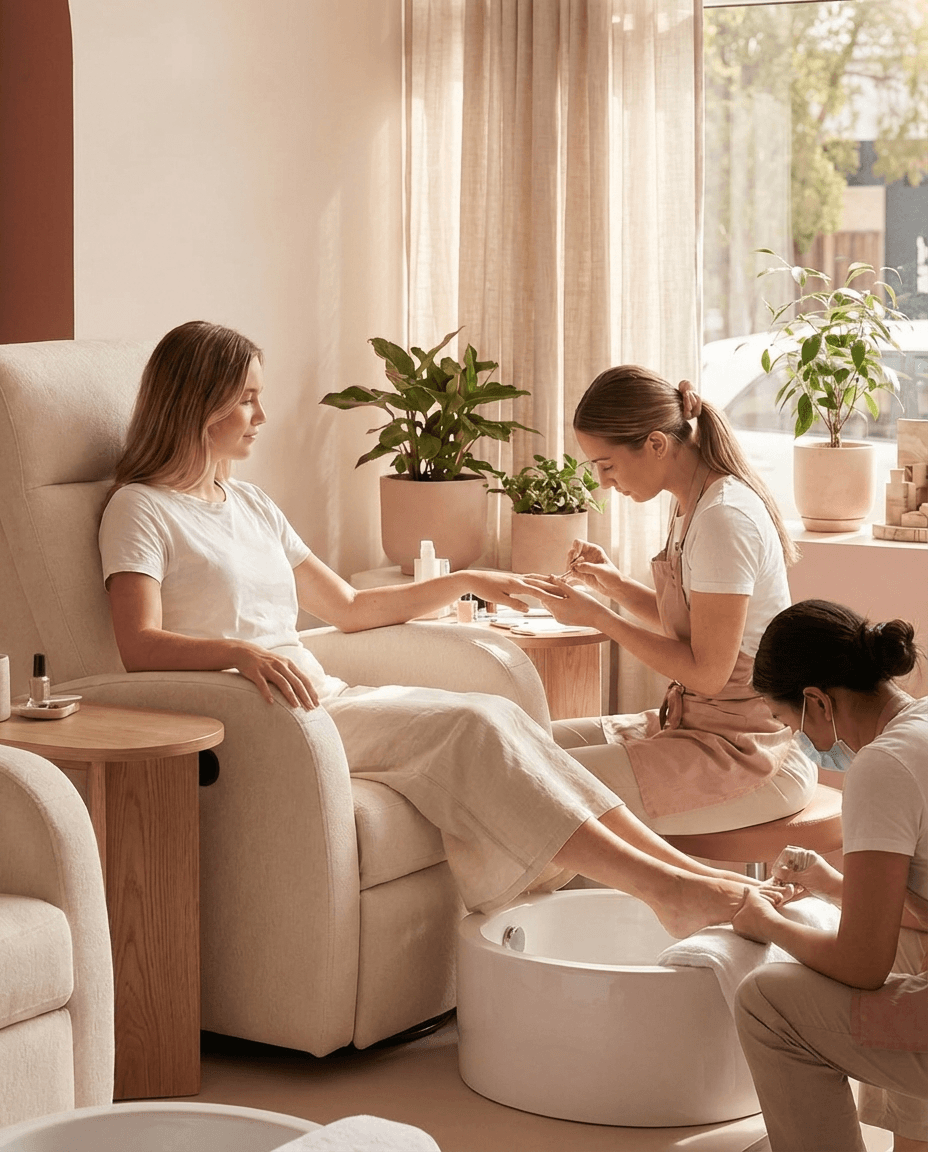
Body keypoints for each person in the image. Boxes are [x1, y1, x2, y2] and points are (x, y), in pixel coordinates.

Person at [98, 320, 780, 940]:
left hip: (313, 697)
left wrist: (468, 580)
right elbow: (138, 645)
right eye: (246, 398)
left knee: (497, 716)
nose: (261, 415)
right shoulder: (141, 510)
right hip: (259, 715)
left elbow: (349, 607)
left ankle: (689, 885)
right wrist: (238, 653)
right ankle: (672, 887)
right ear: (197, 403)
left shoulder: (250, 504)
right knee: (472, 727)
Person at [524, 365, 817, 836]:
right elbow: (696, 626)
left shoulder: (723, 518)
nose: (602, 483)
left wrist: (600, 617)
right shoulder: (692, 503)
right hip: (696, 726)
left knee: (535, 785)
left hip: (746, 751)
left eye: (606, 465)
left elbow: (706, 671)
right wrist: (613, 585)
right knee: (517, 747)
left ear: (656, 444)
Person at [731, 600, 927, 1152]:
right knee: (912, 946)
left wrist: (768, 922)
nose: (800, 740)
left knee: (766, 1002)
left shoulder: (884, 765)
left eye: (790, 723)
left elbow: (863, 965)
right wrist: (833, 884)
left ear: (817, 700)